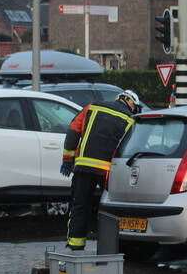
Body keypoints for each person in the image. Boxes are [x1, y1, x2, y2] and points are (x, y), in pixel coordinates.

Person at [60, 89, 141, 250]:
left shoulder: (92, 107)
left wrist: (68, 159)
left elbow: (73, 131)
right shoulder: (130, 120)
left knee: (79, 205)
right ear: (132, 104)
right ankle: (111, 247)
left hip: (83, 167)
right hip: (108, 171)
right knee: (111, 209)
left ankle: (75, 245)